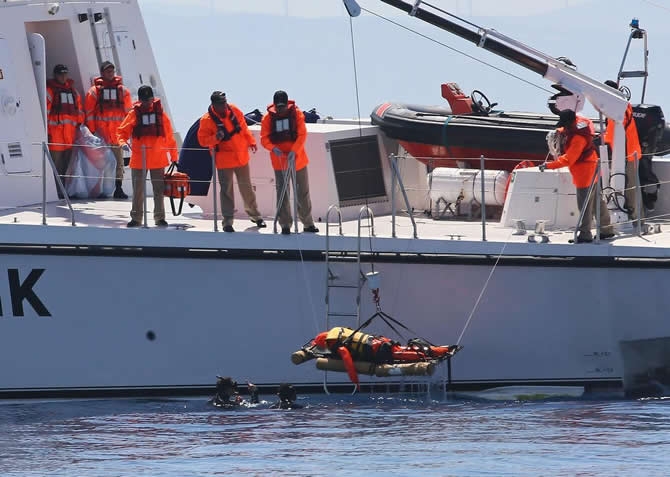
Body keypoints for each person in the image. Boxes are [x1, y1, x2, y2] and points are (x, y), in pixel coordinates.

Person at [540, 109, 616, 243]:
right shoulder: (581, 124)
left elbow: (569, 159)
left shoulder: (578, 138)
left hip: (584, 173)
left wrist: (548, 165)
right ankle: (606, 230)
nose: (564, 127)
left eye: (565, 124)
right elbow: (570, 129)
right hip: (592, 167)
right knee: (598, 201)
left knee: (585, 205)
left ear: (571, 122)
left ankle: (585, 234)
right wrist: (562, 132)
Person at [197, 91, 265, 233]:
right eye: (221, 104)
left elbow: (244, 128)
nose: (224, 106)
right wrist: (216, 137)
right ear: (214, 105)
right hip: (223, 160)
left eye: (225, 102)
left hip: (241, 156)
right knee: (226, 191)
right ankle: (227, 222)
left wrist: (251, 142)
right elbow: (202, 141)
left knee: (247, 188)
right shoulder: (206, 120)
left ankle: (256, 216)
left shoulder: (234, 110)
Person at [116, 85, 177, 228]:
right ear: (140, 100)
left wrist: (174, 157)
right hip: (139, 158)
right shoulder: (133, 114)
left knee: (159, 190)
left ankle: (159, 218)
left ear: (152, 99)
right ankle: (136, 218)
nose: (147, 103)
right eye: (144, 101)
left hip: (158, 157)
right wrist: (122, 143)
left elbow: (169, 137)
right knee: (138, 190)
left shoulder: (161, 115)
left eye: (149, 100)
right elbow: (121, 131)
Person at [260, 90, 318, 235]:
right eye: (278, 107)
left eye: (283, 106)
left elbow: (302, 134)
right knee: (282, 193)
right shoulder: (267, 118)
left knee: (302, 192)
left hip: (297, 159)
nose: (281, 109)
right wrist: (273, 149)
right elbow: (264, 139)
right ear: (274, 105)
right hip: (279, 161)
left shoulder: (297, 114)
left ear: (287, 104)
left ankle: (308, 223)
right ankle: (285, 224)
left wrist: (294, 151)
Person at [85, 61, 133, 199]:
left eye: (112, 70)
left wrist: (126, 132)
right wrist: (93, 132)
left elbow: (129, 114)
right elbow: (89, 112)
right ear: (102, 73)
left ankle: (118, 188)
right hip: (101, 135)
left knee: (119, 163)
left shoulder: (123, 91)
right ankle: (101, 190)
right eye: (107, 71)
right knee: (103, 164)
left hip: (117, 135)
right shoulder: (94, 92)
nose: (110, 73)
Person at [603, 80, 644, 223]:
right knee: (622, 186)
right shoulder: (612, 107)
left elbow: (622, 125)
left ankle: (637, 220)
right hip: (618, 154)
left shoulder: (621, 107)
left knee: (631, 188)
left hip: (628, 154)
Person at [46, 64, 84, 198]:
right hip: (55, 136)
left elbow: (79, 110)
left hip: (70, 136)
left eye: (65, 73)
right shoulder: (50, 91)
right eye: (60, 74)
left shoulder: (74, 92)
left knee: (69, 166)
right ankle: (58, 193)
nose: (63, 76)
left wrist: (80, 126)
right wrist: (47, 133)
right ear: (55, 75)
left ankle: (66, 191)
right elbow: (45, 112)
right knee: (57, 166)